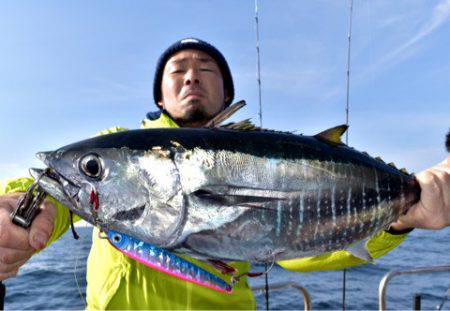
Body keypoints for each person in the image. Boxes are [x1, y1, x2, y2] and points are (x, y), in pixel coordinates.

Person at [0, 38, 449, 309]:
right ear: (160, 96)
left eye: (205, 69)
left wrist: (398, 216)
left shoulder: (258, 145)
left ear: (226, 91)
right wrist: (19, 209)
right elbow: (51, 193)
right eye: (177, 70)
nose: (191, 77)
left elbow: (304, 251)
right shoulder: (120, 140)